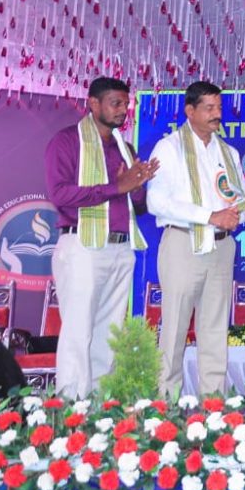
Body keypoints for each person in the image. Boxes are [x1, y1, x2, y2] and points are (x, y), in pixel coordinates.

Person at [45, 77, 159, 398]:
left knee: (109, 333)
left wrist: (136, 189)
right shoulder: (67, 141)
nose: (123, 110)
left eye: (125, 103)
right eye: (115, 103)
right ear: (93, 103)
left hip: (120, 248)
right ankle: (71, 407)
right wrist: (117, 186)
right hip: (82, 246)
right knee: (78, 332)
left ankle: (98, 408)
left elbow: (137, 207)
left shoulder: (125, 148)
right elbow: (60, 194)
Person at [147, 81, 245, 397]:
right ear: (189, 111)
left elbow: (244, 200)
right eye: (209, 108)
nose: (216, 114)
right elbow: (156, 202)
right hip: (183, 243)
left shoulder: (228, 152)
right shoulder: (169, 147)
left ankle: (214, 406)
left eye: (219, 107)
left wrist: (234, 215)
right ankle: (166, 405)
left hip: (222, 246)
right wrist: (209, 216)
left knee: (215, 329)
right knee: (175, 329)